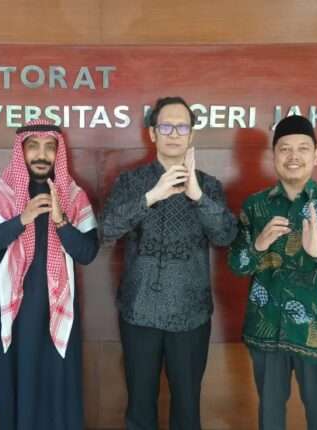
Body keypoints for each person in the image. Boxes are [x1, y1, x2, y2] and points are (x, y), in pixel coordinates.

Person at [228, 115, 317, 430]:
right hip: (267, 330)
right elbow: (236, 265)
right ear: (274, 155)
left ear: (316, 155)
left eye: (303, 148)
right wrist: (259, 245)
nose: (293, 156)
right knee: (270, 419)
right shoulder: (255, 206)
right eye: (284, 148)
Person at [101, 96, 237, 430]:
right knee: (139, 408)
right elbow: (107, 229)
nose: (174, 134)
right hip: (139, 311)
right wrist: (152, 195)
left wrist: (198, 197)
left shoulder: (208, 185)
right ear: (152, 133)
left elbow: (226, 235)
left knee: (187, 408)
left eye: (182, 127)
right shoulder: (131, 182)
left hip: (191, 315)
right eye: (165, 127)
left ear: (192, 134)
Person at [0, 119, 99, 430]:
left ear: (58, 153)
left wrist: (62, 221)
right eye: (33, 146)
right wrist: (21, 219)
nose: (42, 154)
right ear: (21, 151)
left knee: (58, 391)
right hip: (14, 318)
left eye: (49, 147)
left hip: (58, 316)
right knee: (15, 388)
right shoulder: (1, 193)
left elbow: (88, 252)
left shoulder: (73, 195)